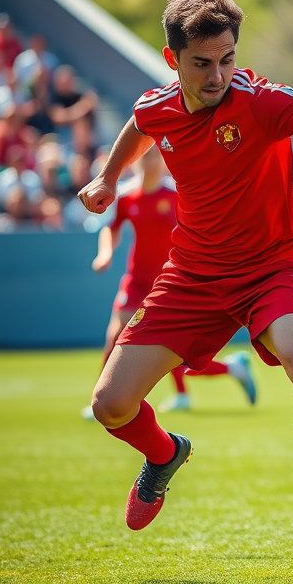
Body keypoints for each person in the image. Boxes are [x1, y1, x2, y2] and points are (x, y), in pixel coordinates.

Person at [77, 0, 293, 561]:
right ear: (174, 61)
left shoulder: (260, 99)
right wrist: (108, 178)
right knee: (112, 405)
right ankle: (165, 454)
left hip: (274, 262)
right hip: (191, 276)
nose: (218, 76)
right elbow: (140, 126)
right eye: (201, 63)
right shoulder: (157, 105)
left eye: (227, 59)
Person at [79, 145, 257, 419]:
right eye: (145, 156)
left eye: (154, 156)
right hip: (137, 282)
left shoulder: (175, 195)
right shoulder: (127, 196)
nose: (149, 162)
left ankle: (227, 372)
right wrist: (105, 254)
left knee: (171, 348)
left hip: (170, 283)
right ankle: (100, 399)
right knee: (116, 334)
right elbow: (111, 228)